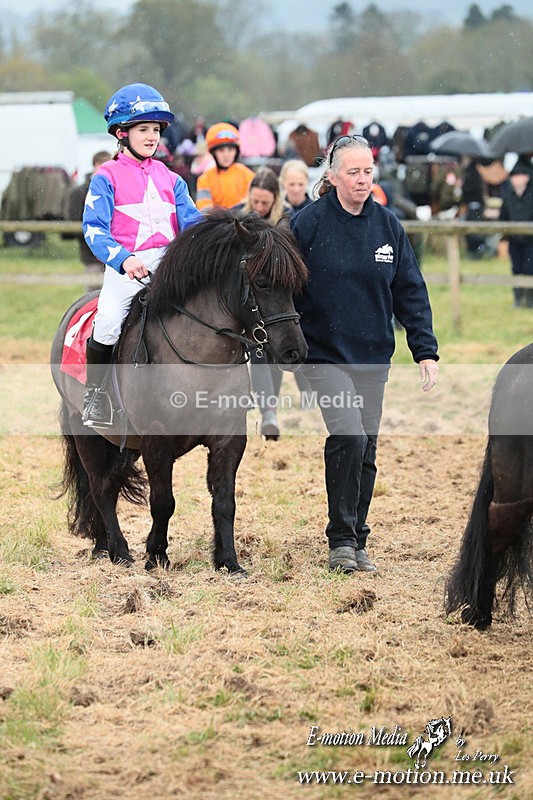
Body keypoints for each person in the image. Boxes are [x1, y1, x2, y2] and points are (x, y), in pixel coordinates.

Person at [290, 135, 439, 574]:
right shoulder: (308, 224)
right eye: (352, 172)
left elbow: (410, 290)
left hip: (373, 355)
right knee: (350, 436)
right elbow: (283, 286)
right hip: (324, 355)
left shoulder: (388, 225)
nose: (361, 180)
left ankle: (358, 539)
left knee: (367, 448)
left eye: (367, 172)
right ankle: (340, 541)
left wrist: (425, 351)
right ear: (333, 176)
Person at [81, 83, 202, 427]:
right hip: (126, 268)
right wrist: (123, 259)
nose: (152, 137)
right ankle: (96, 397)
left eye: (155, 130)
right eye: (143, 129)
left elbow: (192, 222)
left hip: (169, 265)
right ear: (122, 133)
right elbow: (93, 229)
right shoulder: (106, 177)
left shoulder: (171, 178)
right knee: (106, 323)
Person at [234, 167, 292, 439]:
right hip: (250, 300)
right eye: (254, 201)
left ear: (275, 199)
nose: (258, 207)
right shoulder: (239, 218)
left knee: (275, 353)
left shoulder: (287, 220)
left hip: (278, 299)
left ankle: (270, 408)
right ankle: (268, 412)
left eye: (264, 203)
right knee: (259, 351)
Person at [65, 150, 111, 291]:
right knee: (94, 293)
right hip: (90, 253)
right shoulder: (80, 192)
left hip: (113, 252)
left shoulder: (114, 188)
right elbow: (74, 219)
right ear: (95, 165)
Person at [195, 123, 255, 211]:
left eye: (230, 150)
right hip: (217, 223)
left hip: (244, 222)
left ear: (236, 152)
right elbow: (204, 208)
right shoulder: (204, 179)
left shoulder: (248, 175)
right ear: (213, 153)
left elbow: (255, 203)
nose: (226, 155)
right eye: (221, 150)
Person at [499, 157, 533, 308]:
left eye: (521, 176)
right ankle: (518, 299)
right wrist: (504, 234)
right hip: (514, 239)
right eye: (515, 176)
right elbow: (503, 216)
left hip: (530, 240)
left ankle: (530, 299)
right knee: (516, 268)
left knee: (530, 268)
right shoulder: (508, 196)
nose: (518, 179)